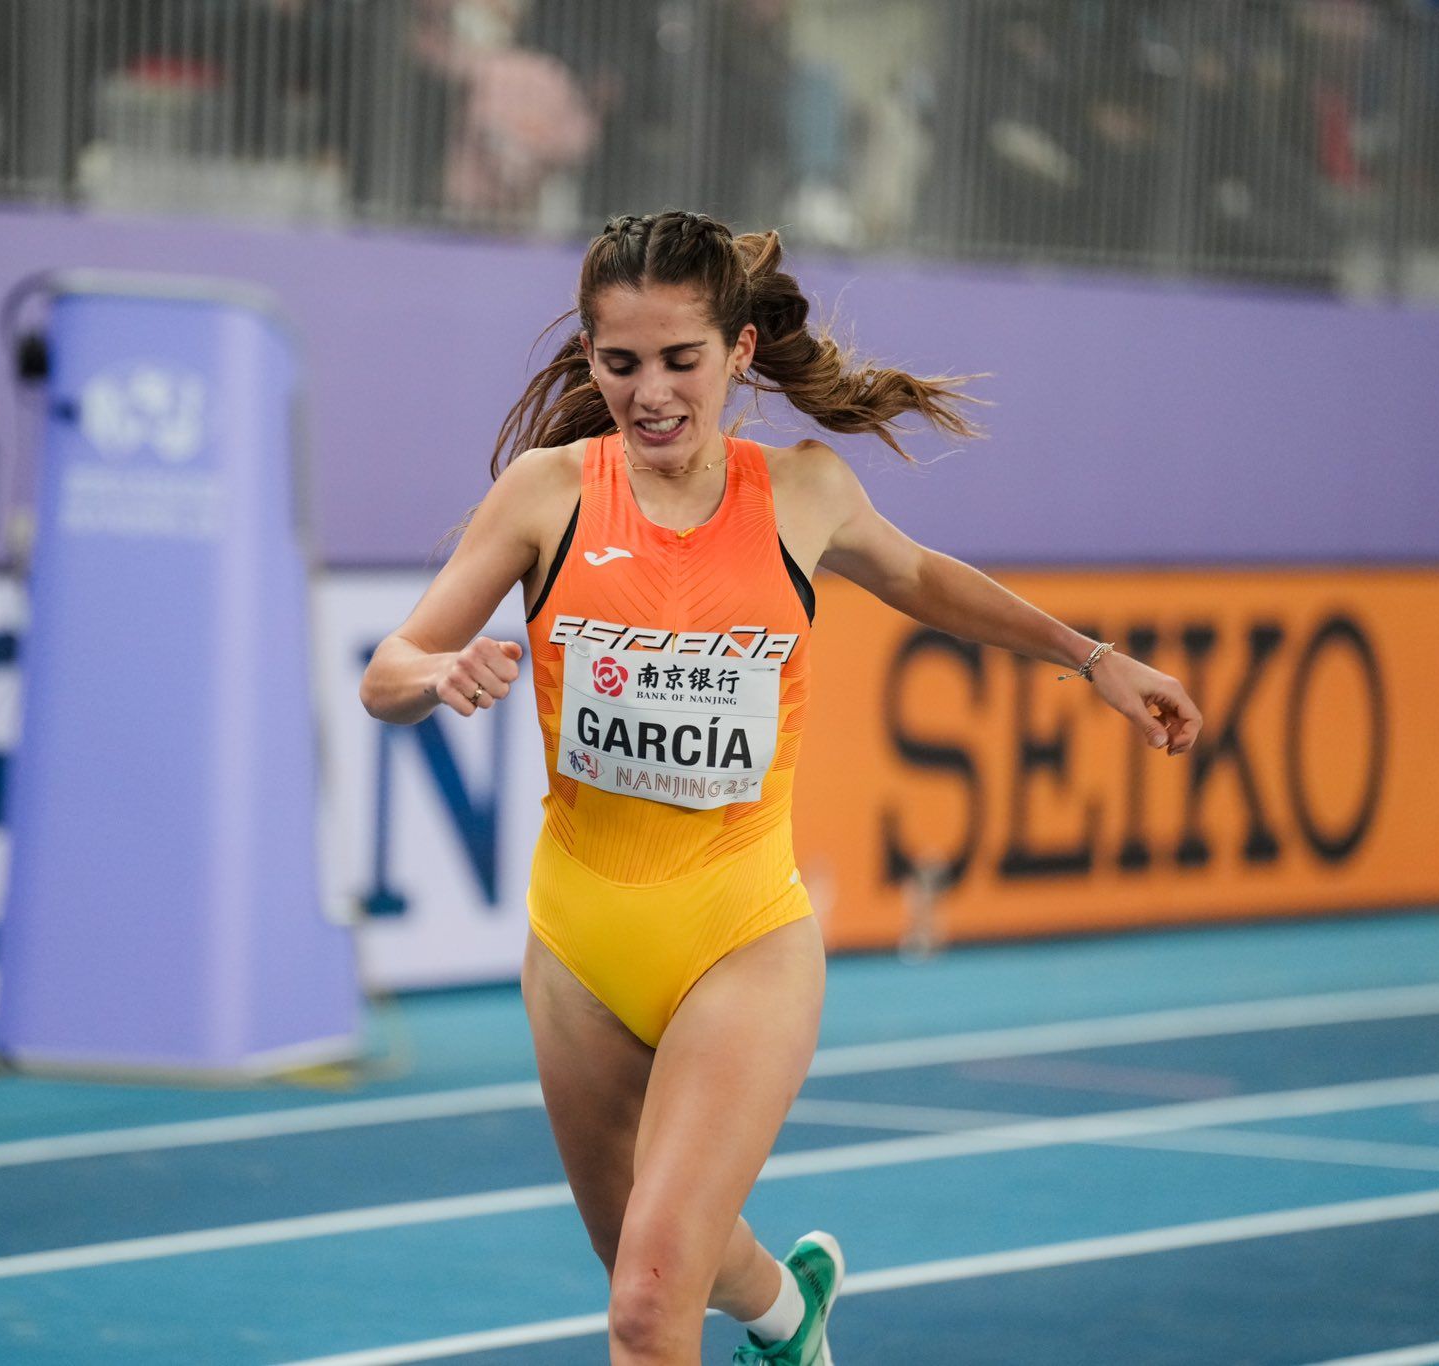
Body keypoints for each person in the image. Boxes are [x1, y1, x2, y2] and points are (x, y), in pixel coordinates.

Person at [359, 210, 1203, 1364]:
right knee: (648, 1259)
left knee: (646, 1307)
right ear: (591, 360)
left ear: (738, 354)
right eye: (619, 364)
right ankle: (784, 1314)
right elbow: (384, 674)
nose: (649, 393)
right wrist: (437, 673)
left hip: (740, 935)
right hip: (577, 944)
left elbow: (922, 579)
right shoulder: (546, 494)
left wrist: (1094, 660)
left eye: (679, 361)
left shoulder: (801, 494)